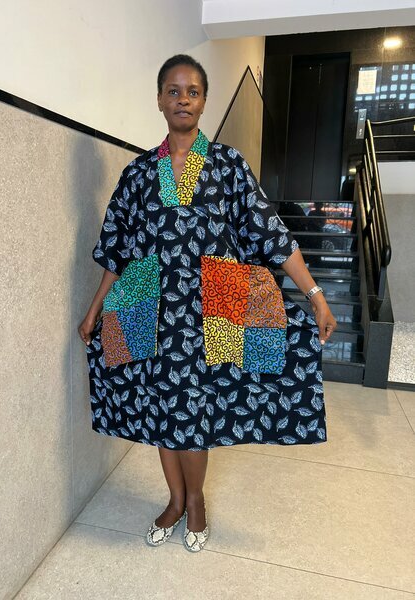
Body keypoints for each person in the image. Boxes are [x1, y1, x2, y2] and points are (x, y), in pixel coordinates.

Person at [78, 54, 337, 553]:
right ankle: (174, 499)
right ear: (159, 100)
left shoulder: (227, 165)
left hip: (212, 306)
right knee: (160, 407)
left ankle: (194, 501)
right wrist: (94, 311)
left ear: (203, 102)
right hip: (147, 304)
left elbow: (271, 233)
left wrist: (315, 295)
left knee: (193, 410)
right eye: (173, 91)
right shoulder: (137, 174)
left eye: (192, 91)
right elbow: (117, 252)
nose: (183, 99)